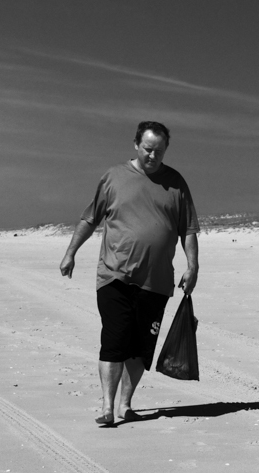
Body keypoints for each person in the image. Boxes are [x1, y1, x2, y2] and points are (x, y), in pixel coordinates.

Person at [58, 121, 200, 426]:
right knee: (115, 339)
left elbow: (187, 230)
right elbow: (89, 219)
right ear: (136, 145)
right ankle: (108, 407)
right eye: (148, 149)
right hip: (114, 276)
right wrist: (71, 252)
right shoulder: (114, 177)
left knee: (139, 349)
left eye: (159, 151)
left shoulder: (176, 183)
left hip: (157, 282)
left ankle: (125, 404)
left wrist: (193, 265)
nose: (152, 156)